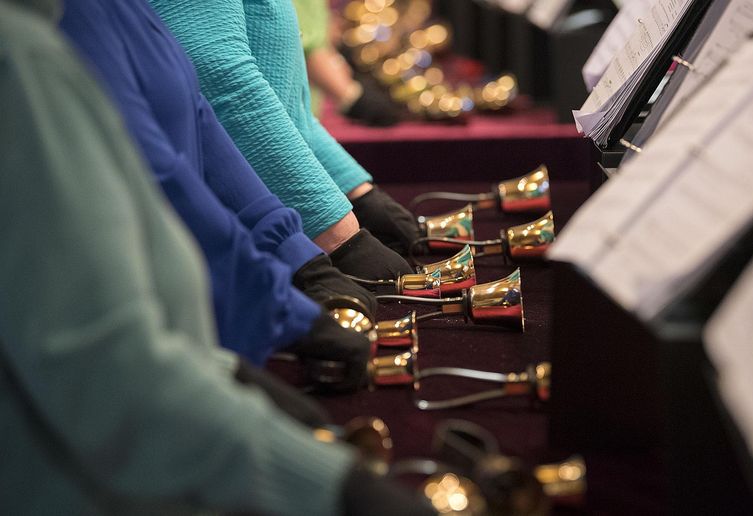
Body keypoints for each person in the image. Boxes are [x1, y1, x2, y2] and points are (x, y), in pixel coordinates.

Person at [0, 2, 436, 514]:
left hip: (182, 368)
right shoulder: (23, 56)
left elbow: (203, 114)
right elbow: (104, 369)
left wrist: (315, 238)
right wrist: (334, 488)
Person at [59, 0, 376, 371]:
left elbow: (200, 115)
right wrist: (325, 240)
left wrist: (302, 251)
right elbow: (215, 91)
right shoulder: (37, 39)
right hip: (134, 325)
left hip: (191, 299)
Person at [148, 0, 424, 259]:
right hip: (217, 220)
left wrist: (360, 196)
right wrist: (341, 240)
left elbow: (290, 108)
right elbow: (223, 81)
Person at [292, 0, 400, 126]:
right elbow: (306, 49)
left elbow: (315, 42)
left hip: (302, 116)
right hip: (294, 118)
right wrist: (353, 98)